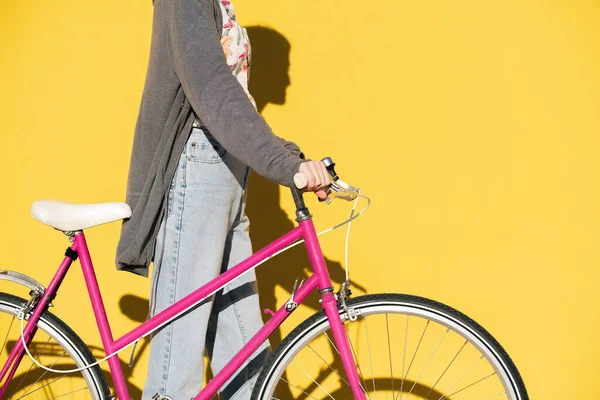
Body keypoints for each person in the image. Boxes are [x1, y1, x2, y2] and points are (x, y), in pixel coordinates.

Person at [115, 0, 330, 398]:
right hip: (197, 171)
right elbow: (211, 87)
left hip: (225, 170)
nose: (284, 75)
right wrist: (284, 165)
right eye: (284, 62)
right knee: (177, 362)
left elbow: (236, 107)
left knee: (243, 350)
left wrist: (292, 159)